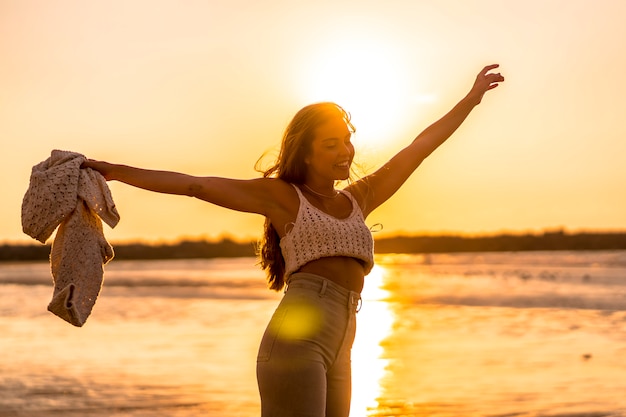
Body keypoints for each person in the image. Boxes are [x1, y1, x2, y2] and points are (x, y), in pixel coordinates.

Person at [82, 64, 504, 417]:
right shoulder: (283, 197)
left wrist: (470, 99)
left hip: (344, 338)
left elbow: (419, 147)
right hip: (297, 341)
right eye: (331, 144)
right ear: (306, 153)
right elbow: (195, 185)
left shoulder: (360, 197)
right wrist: (114, 170)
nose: (346, 151)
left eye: (347, 140)